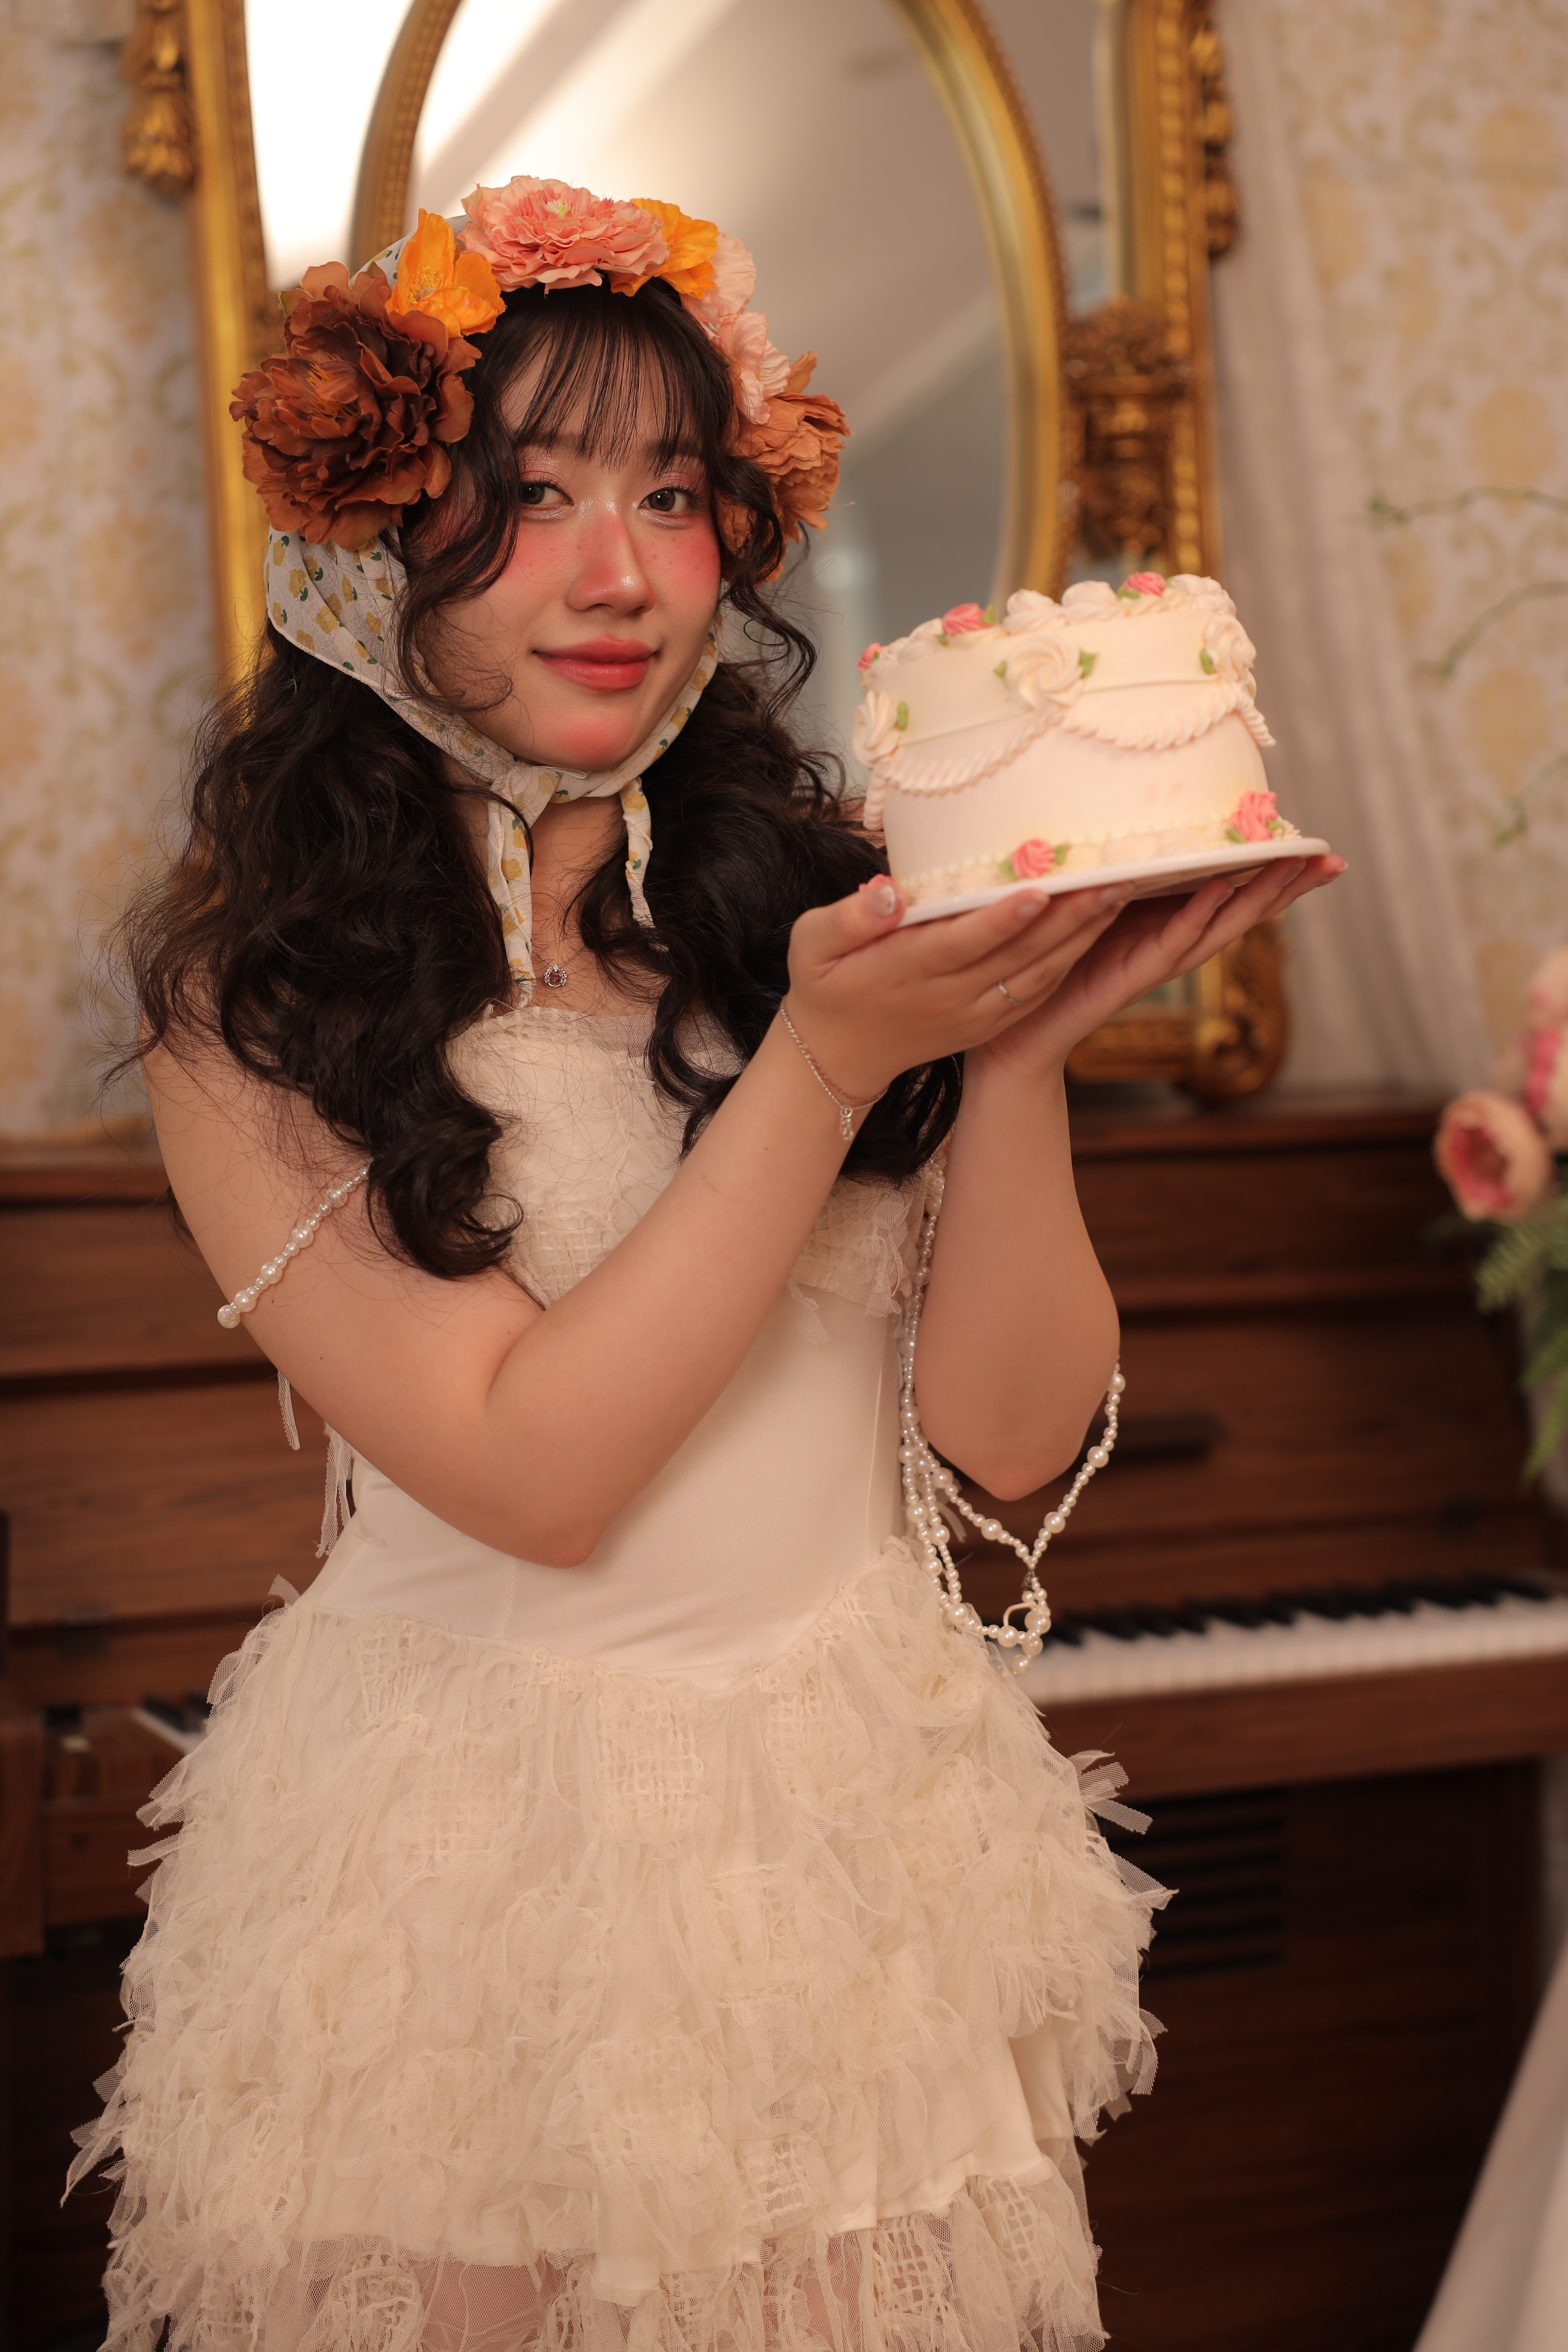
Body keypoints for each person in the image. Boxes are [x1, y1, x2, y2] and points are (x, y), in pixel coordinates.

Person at [71, 182, 1339, 2350]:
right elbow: (535, 1476)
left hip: (844, 1844)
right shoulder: (255, 1005)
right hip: (475, 1874)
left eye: (671, 494)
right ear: (376, 532)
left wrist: (1014, 1050)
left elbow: (1010, 1441)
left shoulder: (809, 913)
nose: (620, 574)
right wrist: (829, 1068)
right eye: (532, 495)